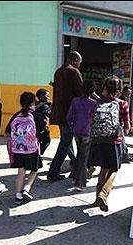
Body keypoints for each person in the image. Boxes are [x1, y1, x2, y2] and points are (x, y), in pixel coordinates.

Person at [87, 76, 131, 211]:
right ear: (118, 90)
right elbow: (127, 127)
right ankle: (103, 194)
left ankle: (97, 199)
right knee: (113, 169)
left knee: (103, 168)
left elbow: (90, 122)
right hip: (114, 140)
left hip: (98, 140)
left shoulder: (96, 103)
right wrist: (124, 132)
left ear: (105, 88)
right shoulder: (122, 104)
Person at [46, 51, 84, 183]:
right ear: (74, 60)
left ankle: (74, 162)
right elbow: (81, 92)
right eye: (79, 62)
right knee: (65, 143)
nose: (79, 65)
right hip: (70, 114)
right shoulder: (74, 72)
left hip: (59, 113)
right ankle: (53, 172)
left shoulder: (58, 72)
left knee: (66, 140)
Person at [5, 92, 43, 205]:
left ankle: (18, 196)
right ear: (33, 103)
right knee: (35, 170)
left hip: (18, 150)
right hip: (32, 149)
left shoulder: (16, 115)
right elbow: (42, 130)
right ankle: (26, 188)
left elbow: (7, 131)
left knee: (21, 172)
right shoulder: (36, 116)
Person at [66, 80, 97, 192]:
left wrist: (71, 125)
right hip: (87, 132)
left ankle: (74, 175)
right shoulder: (94, 103)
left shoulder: (75, 101)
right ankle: (80, 182)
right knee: (84, 157)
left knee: (80, 154)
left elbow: (69, 116)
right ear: (93, 91)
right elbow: (94, 118)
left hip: (76, 130)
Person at [35, 88, 52, 155]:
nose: (48, 97)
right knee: (47, 141)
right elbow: (48, 114)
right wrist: (51, 106)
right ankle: (39, 153)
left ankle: (37, 153)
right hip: (43, 128)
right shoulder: (44, 106)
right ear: (41, 96)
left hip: (37, 127)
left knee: (38, 141)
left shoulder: (37, 104)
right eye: (47, 96)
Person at [119, 85, 133, 163]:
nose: (128, 96)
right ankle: (124, 157)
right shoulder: (122, 102)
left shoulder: (124, 101)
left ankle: (124, 156)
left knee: (122, 141)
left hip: (121, 124)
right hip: (119, 124)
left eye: (129, 94)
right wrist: (127, 125)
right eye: (127, 93)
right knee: (122, 141)